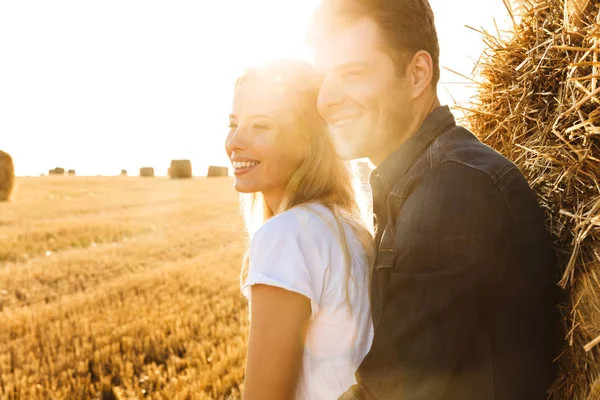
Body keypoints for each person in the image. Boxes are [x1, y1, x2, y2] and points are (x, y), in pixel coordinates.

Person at [309, 1, 560, 399]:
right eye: (322, 79)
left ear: (417, 74)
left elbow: (389, 393)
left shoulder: (452, 189)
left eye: (352, 73)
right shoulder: (424, 180)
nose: (326, 99)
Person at [225, 59, 376, 400]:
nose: (234, 141)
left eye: (260, 126)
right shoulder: (350, 228)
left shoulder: (287, 236)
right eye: (233, 124)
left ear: (308, 140)